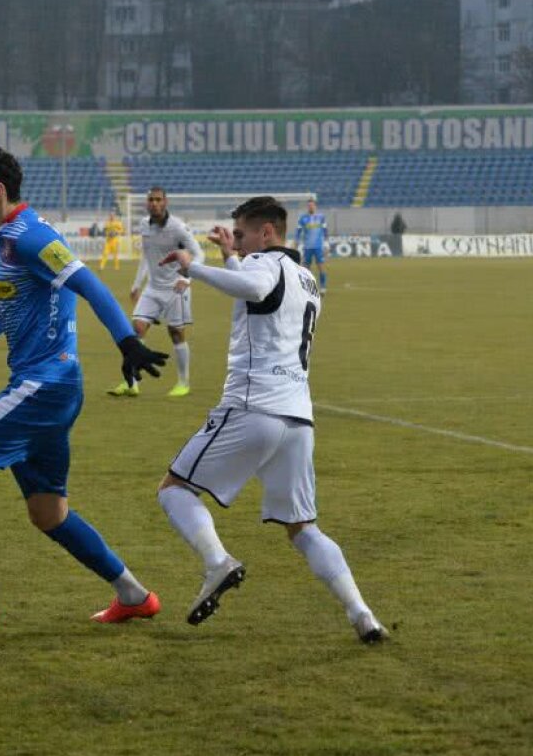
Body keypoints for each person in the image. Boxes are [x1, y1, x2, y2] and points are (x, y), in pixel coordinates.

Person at [0, 145, 169, 631]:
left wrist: (127, 341)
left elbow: (90, 284)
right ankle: (133, 594)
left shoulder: (30, 236)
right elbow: (2, 314)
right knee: (49, 514)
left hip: (44, 386)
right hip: (51, 389)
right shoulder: (9, 240)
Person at [154, 196, 389, 643]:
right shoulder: (306, 277)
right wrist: (229, 255)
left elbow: (257, 288)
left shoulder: (264, 264)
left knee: (173, 490)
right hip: (298, 418)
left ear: (266, 233)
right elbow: (262, 288)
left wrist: (194, 267)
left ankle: (217, 562)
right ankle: (362, 614)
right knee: (303, 529)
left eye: (241, 233)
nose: (237, 240)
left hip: (252, 404)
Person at [107, 186, 203, 398]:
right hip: (153, 288)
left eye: (159, 199)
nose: (155, 203)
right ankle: (130, 383)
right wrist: (136, 284)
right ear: (147, 203)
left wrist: (186, 278)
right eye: (151, 200)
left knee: (176, 333)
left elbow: (199, 254)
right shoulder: (143, 225)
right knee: (136, 330)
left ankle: (183, 383)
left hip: (176, 289)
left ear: (165, 202)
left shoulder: (178, 227)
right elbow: (146, 257)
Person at [295, 198, 328, 291]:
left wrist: (326, 243)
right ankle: (308, 288)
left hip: (318, 246)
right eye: (309, 205)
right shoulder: (303, 218)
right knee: (306, 269)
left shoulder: (321, 217)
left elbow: (325, 231)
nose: (311, 207)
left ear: (315, 206)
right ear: (307, 207)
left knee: (321, 266)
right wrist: (297, 242)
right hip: (307, 247)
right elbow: (298, 231)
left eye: (312, 205)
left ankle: (323, 287)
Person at [98, 206, 124, 271]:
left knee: (115, 255)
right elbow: (104, 231)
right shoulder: (107, 223)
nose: (111, 217)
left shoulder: (117, 223)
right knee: (105, 253)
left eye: (112, 215)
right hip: (108, 241)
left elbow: (122, 230)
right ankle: (101, 266)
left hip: (115, 241)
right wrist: (107, 233)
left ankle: (116, 267)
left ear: (114, 216)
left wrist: (116, 232)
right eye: (110, 215)